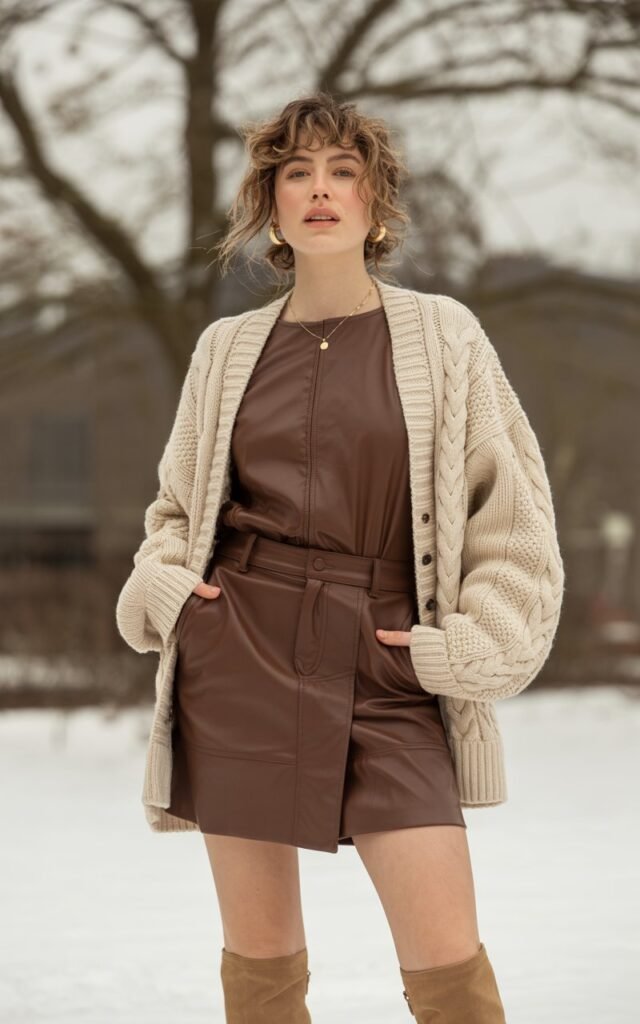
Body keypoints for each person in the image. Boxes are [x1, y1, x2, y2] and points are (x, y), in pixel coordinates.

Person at [115, 92, 564, 1023]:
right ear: (270, 206)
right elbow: (176, 505)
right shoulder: (224, 349)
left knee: (450, 972)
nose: (321, 191)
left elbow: (512, 519)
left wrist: (462, 649)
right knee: (264, 971)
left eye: (343, 173)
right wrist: (164, 586)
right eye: (297, 174)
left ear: (377, 201)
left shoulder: (446, 336)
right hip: (237, 649)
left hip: (389, 659)